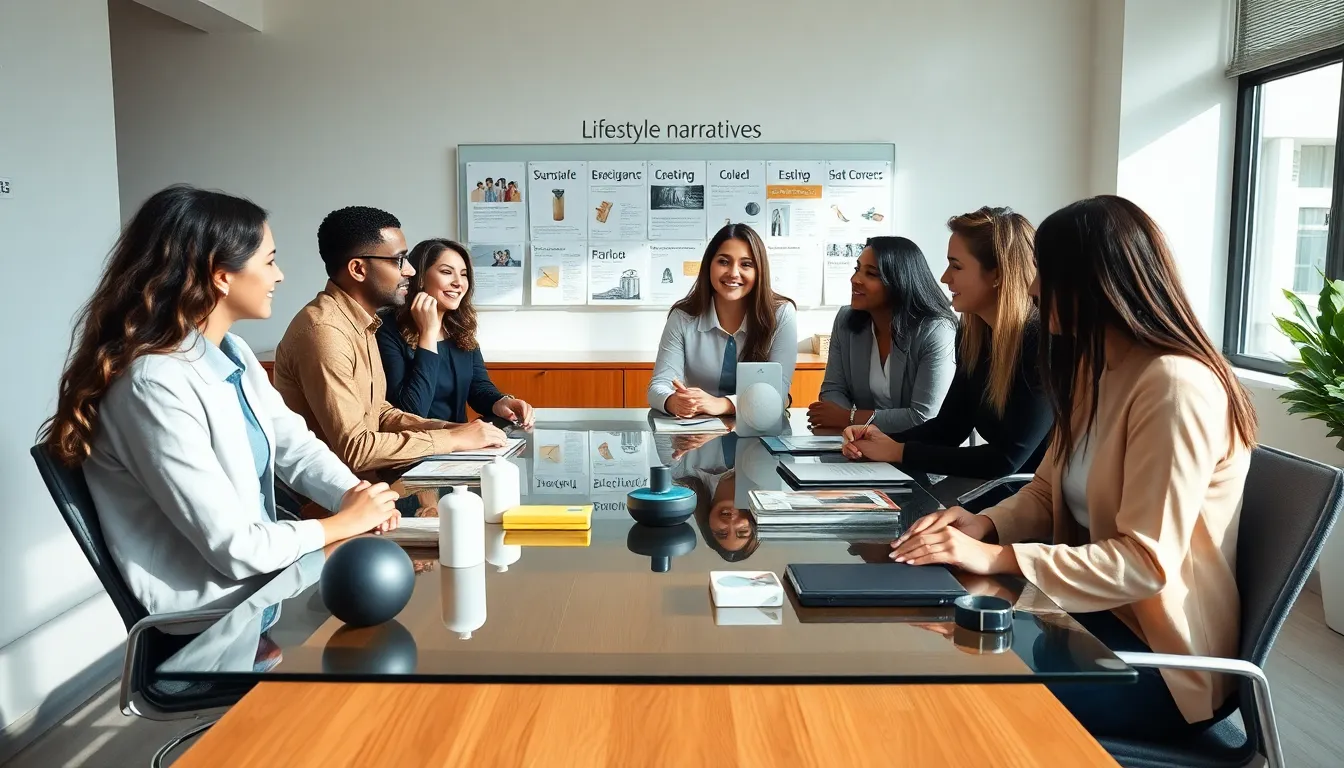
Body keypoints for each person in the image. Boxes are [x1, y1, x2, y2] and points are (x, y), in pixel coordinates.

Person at [886, 195, 1258, 740]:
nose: (1034, 288)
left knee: (952, 699)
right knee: (926, 653)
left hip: (1160, 662)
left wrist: (998, 556)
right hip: (1082, 624)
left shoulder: (1175, 385)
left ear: (1098, 282)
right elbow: (1044, 491)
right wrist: (983, 523)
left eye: (1048, 273)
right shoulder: (1096, 369)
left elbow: (1144, 564)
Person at [41, 185, 402, 616]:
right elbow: (236, 548)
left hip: (267, 591)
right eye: (269, 261)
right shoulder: (152, 385)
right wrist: (341, 523)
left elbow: (296, 447)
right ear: (221, 274)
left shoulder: (232, 352)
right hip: (215, 623)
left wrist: (355, 497)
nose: (279, 275)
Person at [273, 206, 506, 477]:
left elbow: (379, 413)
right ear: (358, 269)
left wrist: (451, 429)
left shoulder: (362, 322)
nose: (409, 271)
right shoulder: (325, 332)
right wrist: (453, 440)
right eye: (399, 260)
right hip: (329, 502)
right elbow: (357, 449)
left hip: (367, 486)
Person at [842, 207, 1052, 480]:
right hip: (1001, 493)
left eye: (956, 266)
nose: (944, 278)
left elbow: (1006, 459)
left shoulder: (1041, 342)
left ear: (998, 275)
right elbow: (949, 429)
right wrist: (877, 440)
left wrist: (898, 452)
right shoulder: (973, 335)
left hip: (1037, 501)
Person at [377, 238, 534, 426]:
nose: (459, 283)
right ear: (419, 277)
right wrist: (428, 334)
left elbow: (478, 387)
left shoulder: (459, 327)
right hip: (416, 448)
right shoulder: (386, 329)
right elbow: (410, 413)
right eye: (446, 272)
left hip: (459, 445)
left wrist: (500, 401)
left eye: (464, 274)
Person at [807, 236, 957, 432]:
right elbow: (833, 390)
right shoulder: (846, 320)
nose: (855, 280)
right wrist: (853, 430)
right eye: (857, 269)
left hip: (919, 450)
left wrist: (848, 418)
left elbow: (923, 417)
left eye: (871, 274)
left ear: (899, 281)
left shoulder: (936, 330)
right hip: (861, 445)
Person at [648, 223, 797, 418]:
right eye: (724, 262)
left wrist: (723, 405)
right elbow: (658, 386)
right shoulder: (683, 317)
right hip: (698, 436)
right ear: (709, 264)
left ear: (759, 271)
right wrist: (673, 402)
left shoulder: (781, 313)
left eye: (746, 264)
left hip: (759, 434)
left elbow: (779, 393)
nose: (733, 273)